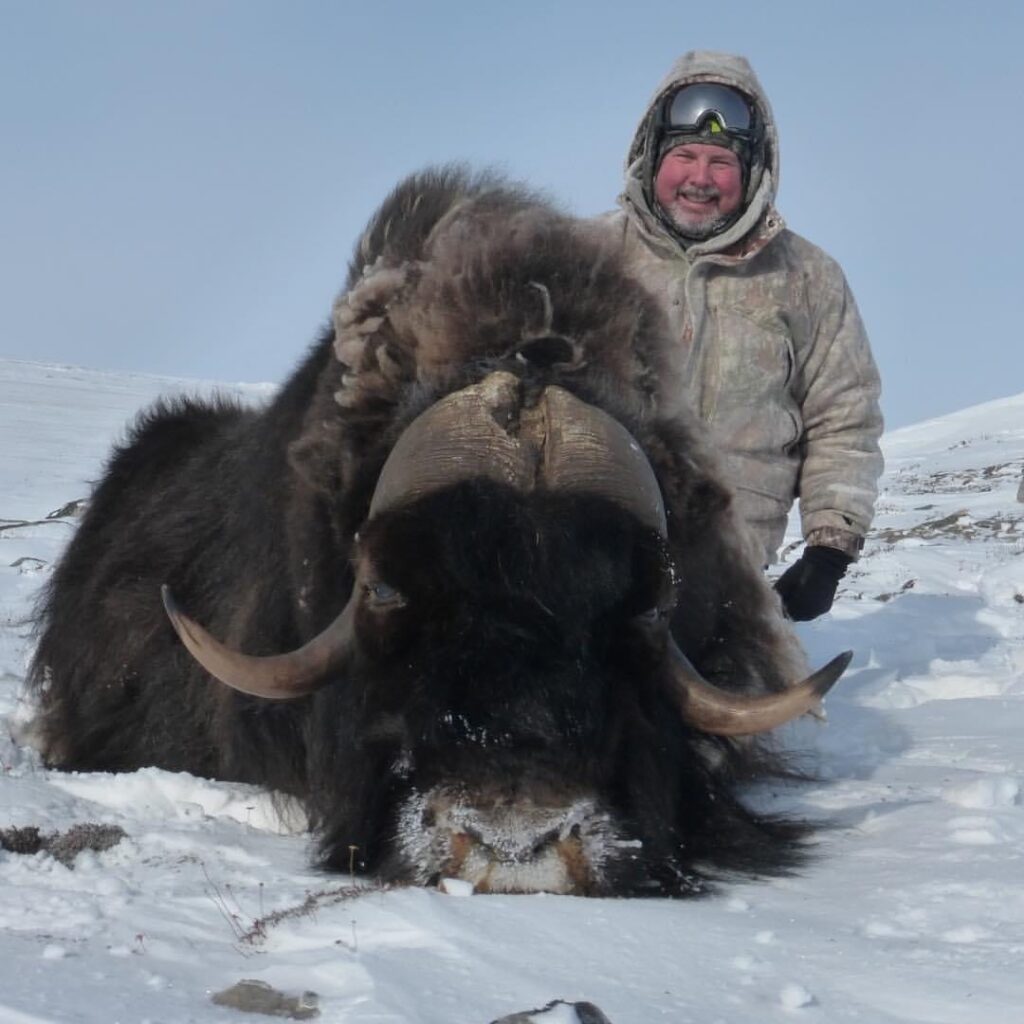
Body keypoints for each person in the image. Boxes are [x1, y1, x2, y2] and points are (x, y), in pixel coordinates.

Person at [598, 50, 884, 621]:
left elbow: (843, 417)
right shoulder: (584, 258)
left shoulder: (808, 277)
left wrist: (830, 547)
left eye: (721, 162)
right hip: (590, 562)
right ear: (652, 156)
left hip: (726, 573)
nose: (700, 179)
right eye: (685, 155)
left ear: (754, 171)